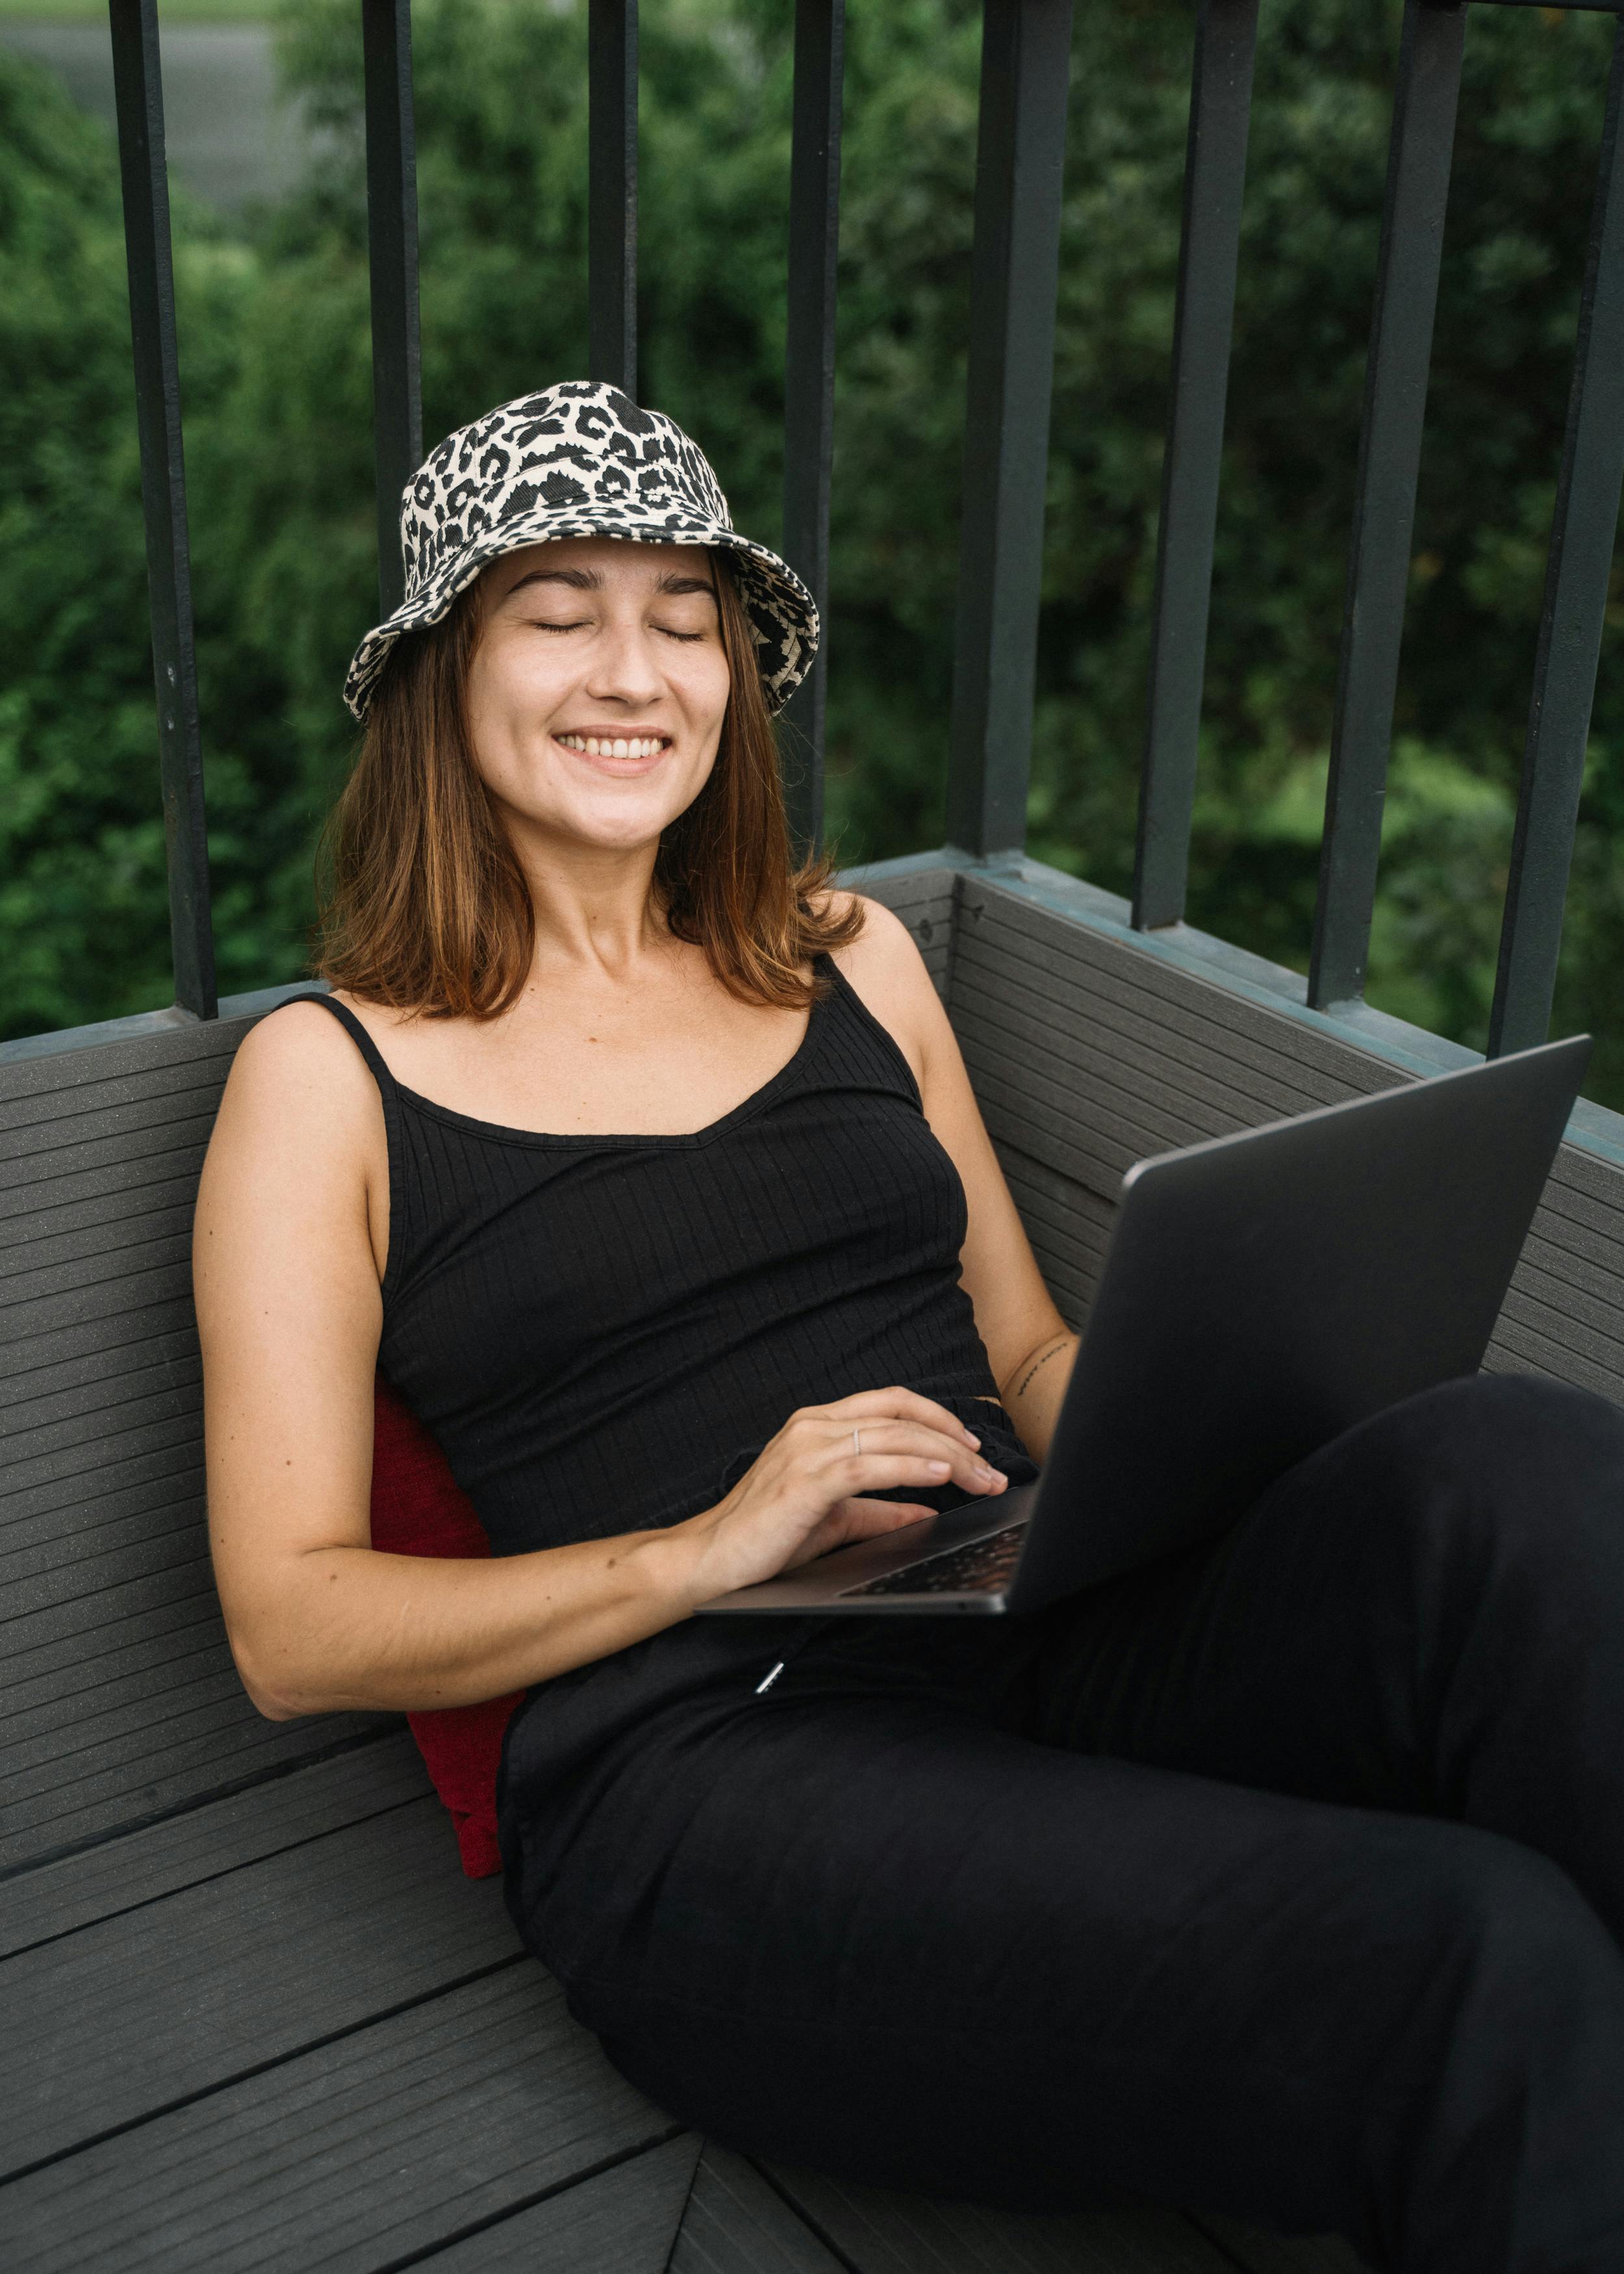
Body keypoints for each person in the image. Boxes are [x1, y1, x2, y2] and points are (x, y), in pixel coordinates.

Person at [196, 380, 1624, 2274]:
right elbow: (291, 1627)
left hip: (1023, 1600)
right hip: (714, 1763)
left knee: (1516, 1464)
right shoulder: (331, 1074)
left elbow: (1022, 1347)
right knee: (1479, 1953)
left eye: (683, 618)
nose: (634, 670)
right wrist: (703, 1546)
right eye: (557, 611)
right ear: (446, 675)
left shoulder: (847, 954)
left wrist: (1180, 1407)